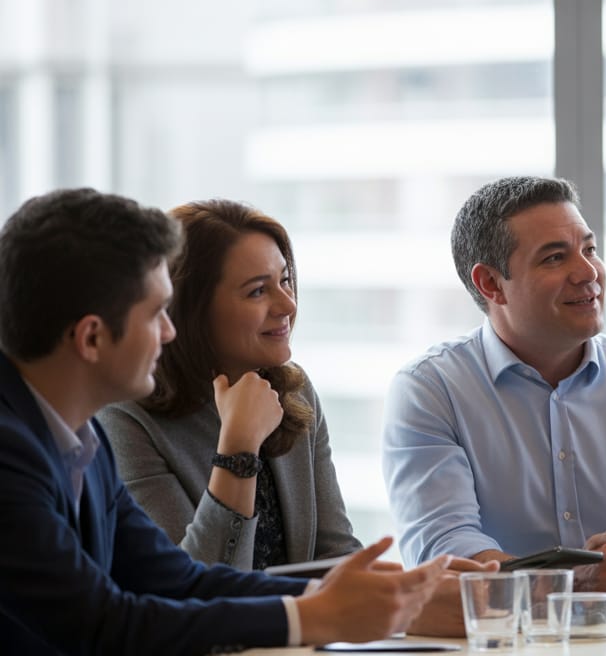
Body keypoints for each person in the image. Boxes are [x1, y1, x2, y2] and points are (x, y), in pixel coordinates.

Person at [0, 188, 447, 654]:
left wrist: (366, 596)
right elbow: (104, 624)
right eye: (156, 315)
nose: (168, 331)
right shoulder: (12, 452)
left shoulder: (82, 437)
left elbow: (177, 580)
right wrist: (309, 615)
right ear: (91, 337)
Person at [95, 199, 491, 637]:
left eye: (285, 281)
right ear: (190, 310)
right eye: (257, 291)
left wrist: (409, 589)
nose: (287, 304)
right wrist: (238, 449)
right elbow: (193, 594)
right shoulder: (125, 419)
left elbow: (334, 554)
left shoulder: (294, 393)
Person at [384, 176, 606, 605]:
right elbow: (445, 550)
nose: (588, 273)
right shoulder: (430, 390)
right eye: (555, 258)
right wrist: (572, 585)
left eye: (589, 249)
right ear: (491, 284)